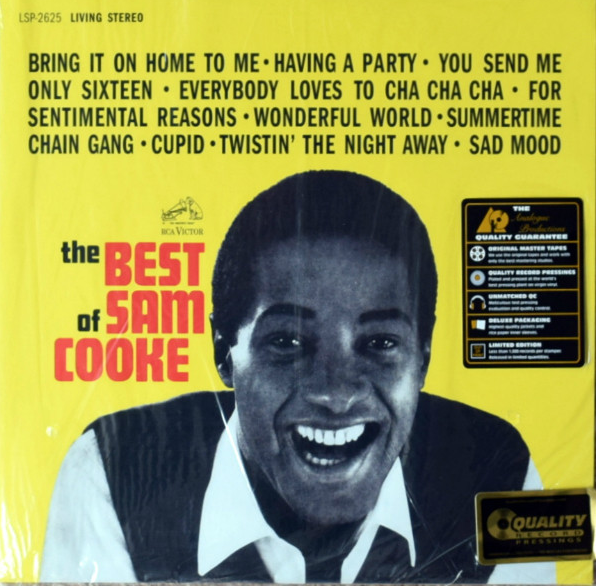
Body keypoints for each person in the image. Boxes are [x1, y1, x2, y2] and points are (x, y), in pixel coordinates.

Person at [41, 171, 554, 583]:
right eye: (287, 342)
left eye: (380, 344)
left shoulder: (497, 473)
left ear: (422, 358)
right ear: (223, 353)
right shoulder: (117, 470)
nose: (336, 393)